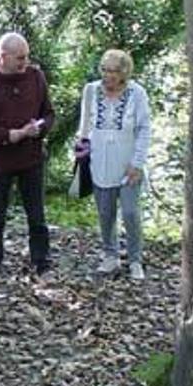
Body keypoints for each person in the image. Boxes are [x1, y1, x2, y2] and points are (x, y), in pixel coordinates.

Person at [0, 32, 55, 277]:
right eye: (19, 58)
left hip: (32, 158)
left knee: (36, 214)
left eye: (26, 57)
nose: (24, 62)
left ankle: (41, 262)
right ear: (3, 56)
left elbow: (49, 113)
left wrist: (40, 128)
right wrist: (8, 135)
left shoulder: (36, 77)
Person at [76, 49, 151, 280]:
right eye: (104, 70)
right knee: (105, 212)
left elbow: (144, 129)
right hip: (100, 161)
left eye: (113, 71)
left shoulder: (136, 93)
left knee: (130, 212)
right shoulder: (91, 91)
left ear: (124, 72)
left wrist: (137, 162)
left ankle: (135, 259)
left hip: (128, 162)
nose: (107, 75)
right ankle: (110, 255)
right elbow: (84, 126)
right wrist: (81, 149)